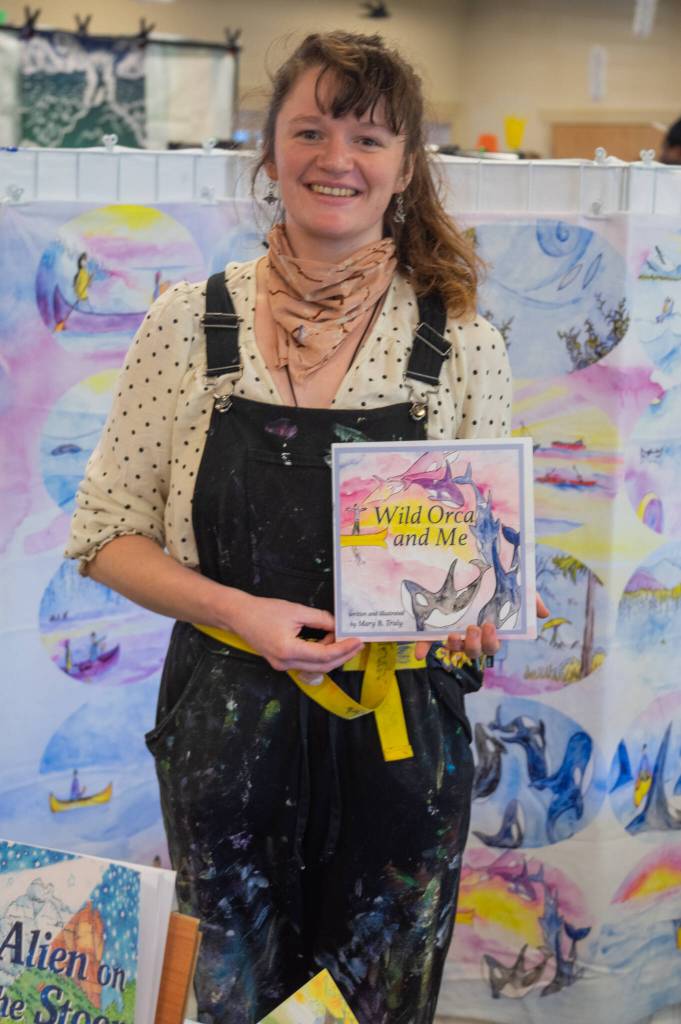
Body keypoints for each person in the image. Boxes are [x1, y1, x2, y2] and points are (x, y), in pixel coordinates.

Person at [66, 31, 516, 1024]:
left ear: (405, 166)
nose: (336, 158)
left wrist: (474, 615)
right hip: (228, 731)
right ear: (270, 152)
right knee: (232, 997)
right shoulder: (187, 322)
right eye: (310, 129)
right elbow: (104, 533)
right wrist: (246, 613)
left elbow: (484, 564)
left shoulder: (462, 342)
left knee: (379, 1001)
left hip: (400, 745)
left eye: (367, 135)